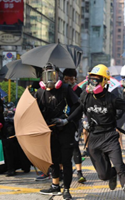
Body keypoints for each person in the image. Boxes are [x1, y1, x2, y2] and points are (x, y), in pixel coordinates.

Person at [67, 64, 125, 199]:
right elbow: (79, 110)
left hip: (110, 136)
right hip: (94, 139)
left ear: (104, 81)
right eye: (90, 80)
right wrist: (66, 121)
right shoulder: (85, 96)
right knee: (103, 175)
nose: (91, 84)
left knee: (120, 167)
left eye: (95, 80)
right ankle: (112, 174)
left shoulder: (112, 98)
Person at [36, 63, 80, 200]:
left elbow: (78, 106)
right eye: (46, 75)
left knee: (66, 160)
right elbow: (35, 112)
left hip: (65, 130)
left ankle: (66, 188)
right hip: (50, 131)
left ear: (58, 76)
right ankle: (55, 186)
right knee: (53, 160)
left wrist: (67, 120)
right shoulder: (40, 92)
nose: (49, 78)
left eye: (52, 75)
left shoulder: (66, 89)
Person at [62, 68, 86, 183]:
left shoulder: (79, 91)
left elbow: (80, 108)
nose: (69, 81)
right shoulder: (61, 90)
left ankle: (79, 172)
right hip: (62, 123)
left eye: (71, 79)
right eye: (66, 79)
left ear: (75, 79)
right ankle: (62, 170)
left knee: (75, 146)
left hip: (75, 122)